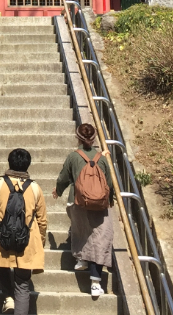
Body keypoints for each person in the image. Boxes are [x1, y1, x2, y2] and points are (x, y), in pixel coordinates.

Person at [0, 148, 48, 315]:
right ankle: (14, 301)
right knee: (23, 285)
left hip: (0, 238)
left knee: (2, 267)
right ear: (27, 165)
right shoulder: (35, 188)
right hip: (27, 240)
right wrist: (40, 241)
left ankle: (8, 297)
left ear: (9, 163)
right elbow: (42, 220)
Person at [53, 123, 114, 300]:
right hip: (100, 203)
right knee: (99, 239)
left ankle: (81, 259)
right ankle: (96, 283)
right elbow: (109, 182)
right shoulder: (101, 158)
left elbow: (63, 177)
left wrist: (58, 190)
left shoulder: (73, 157)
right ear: (94, 138)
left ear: (77, 137)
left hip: (77, 200)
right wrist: (109, 201)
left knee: (81, 232)